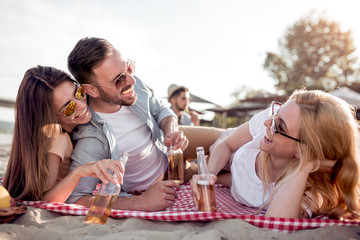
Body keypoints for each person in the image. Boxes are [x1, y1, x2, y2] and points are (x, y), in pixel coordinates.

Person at [190, 89, 360, 219]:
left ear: (304, 151)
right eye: (275, 113)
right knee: (174, 139)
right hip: (222, 142)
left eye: (280, 127)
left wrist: (305, 165)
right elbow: (226, 144)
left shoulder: (308, 190)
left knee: (182, 170)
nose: (267, 122)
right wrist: (209, 173)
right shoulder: (267, 124)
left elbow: (276, 221)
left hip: (231, 175)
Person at [66, 37, 189, 211]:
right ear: (91, 90)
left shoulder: (134, 85)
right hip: (156, 183)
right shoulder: (92, 137)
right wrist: (141, 202)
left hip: (171, 157)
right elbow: (76, 198)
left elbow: (161, 109)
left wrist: (171, 130)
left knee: (226, 139)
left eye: (128, 68)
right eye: (118, 80)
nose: (131, 80)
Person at [3, 66, 124, 202]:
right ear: (50, 116)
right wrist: (78, 172)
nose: (81, 105)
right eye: (69, 107)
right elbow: (45, 199)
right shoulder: (57, 137)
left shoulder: (42, 135)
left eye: (78, 93)